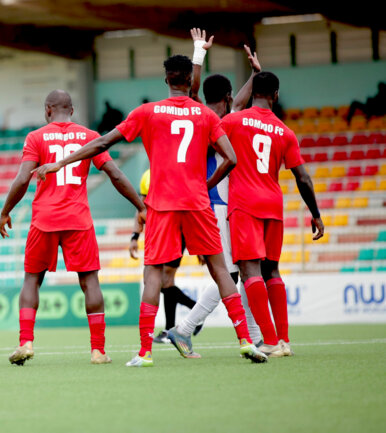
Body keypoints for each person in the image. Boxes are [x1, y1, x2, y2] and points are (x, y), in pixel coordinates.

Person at [34, 55, 267, 367]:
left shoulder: (148, 112)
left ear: (166, 80)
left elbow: (103, 143)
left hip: (161, 204)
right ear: (189, 81)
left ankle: (145, 352)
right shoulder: (205, 116)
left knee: (153, 273)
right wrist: (204, 183)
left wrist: (60, 162)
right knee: (221, 270)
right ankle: (245, 341)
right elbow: (232, 158)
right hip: (197, 202)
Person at [0, 90, 146, 365]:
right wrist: (140, 205)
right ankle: (98, 351)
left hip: (44, 219)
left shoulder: (36, 137)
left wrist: (5, 212)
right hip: (78, 219)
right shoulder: (90, 136)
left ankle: (26, 343)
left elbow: (22, 179)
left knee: (32, 279)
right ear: (73, 110)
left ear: (47, 110)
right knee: (89, 281)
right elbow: (114, 173)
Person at [168, 29, 265, 358]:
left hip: (218, 204)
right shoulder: (213, 120)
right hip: (219, 204)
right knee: (233, 272)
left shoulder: (209, 115)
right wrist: (199, 55)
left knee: (244, 270)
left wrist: (254, 74)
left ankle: (255, 336)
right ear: (225, 97)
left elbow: (230, 100)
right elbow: (214, 97)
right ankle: (184, 329)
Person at [222, 71, 324, 357]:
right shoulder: (285, 132)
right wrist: (315, 213)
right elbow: (303, 178)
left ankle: (268, 341)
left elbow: (228, 116)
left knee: (249, 270)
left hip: (244, 204)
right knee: (272, 270)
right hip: (273, 205)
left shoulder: (234, 121)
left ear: (252, 90)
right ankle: (284, 341)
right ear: (276, 95)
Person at [130, 168, 200, 344]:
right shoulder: (147, 176)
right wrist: (135, 236)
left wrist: (196, 244)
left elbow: (188, 208)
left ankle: (175, 326)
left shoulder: (175, 173)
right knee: (162, 282)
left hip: (177, 232)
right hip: (160, 232)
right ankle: (186, 319)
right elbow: (141, 207)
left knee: (165, 281)